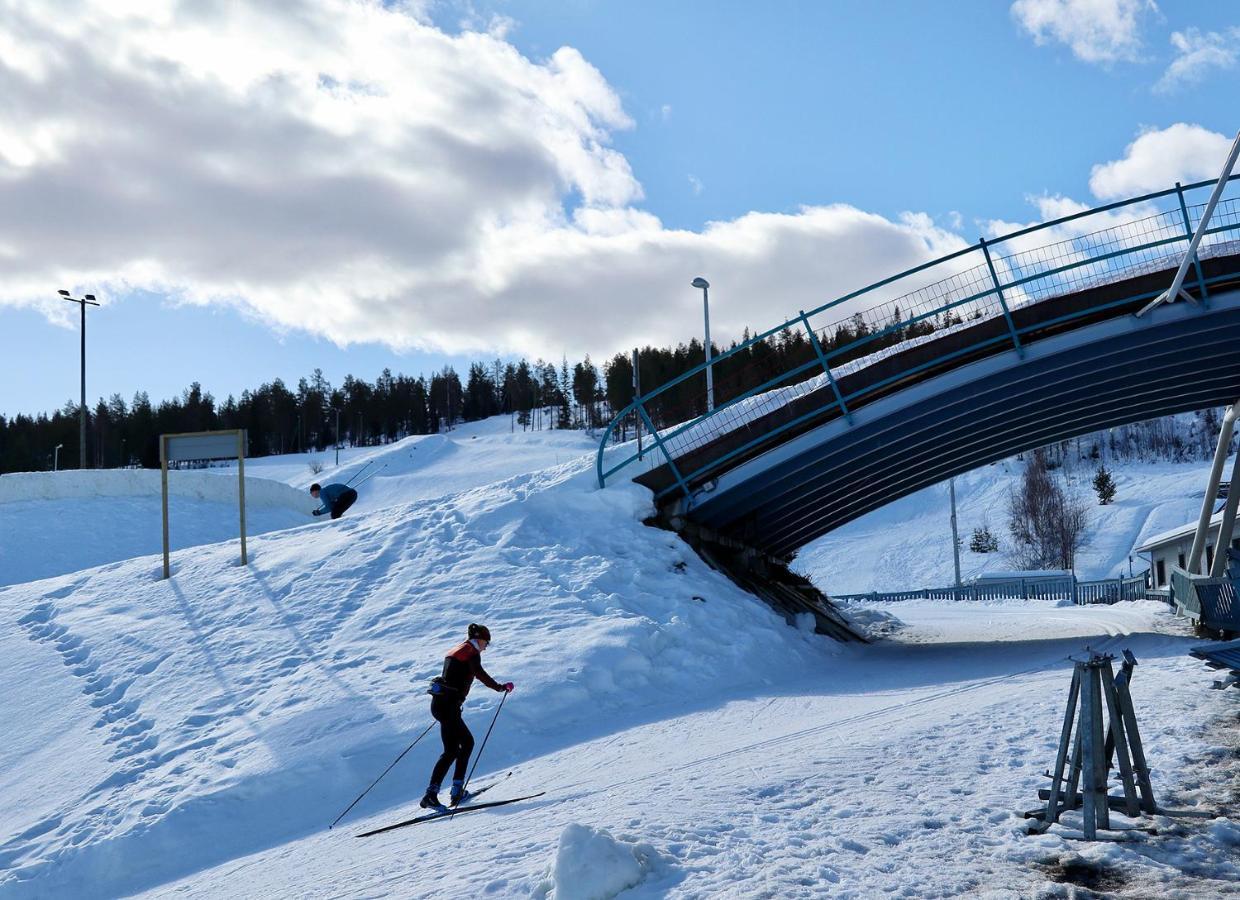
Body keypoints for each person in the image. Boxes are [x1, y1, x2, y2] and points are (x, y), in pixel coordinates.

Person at [421, 623, 514, 810]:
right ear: (479, 639)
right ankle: (443, 793)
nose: (486, 647)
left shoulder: (456, 650)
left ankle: (447, 792)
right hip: (448, 706)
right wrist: (500, 687)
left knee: (452, 749)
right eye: (486, 643)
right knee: (464, 744)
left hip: (442, 705)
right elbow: (479, 673)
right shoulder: (471, 652)